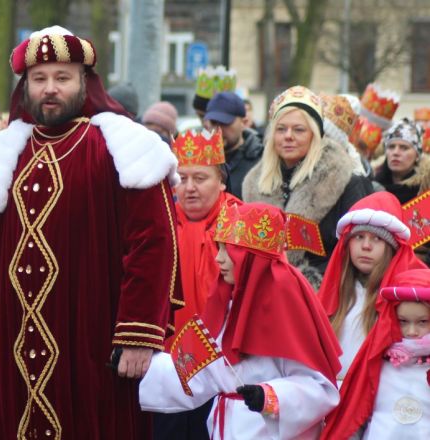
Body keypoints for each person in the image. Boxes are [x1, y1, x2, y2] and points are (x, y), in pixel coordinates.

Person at [0, 25, 181, 439]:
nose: (50, 89)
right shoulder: (4, 154)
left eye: (62, 78)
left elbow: (153, 242)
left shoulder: (117, 147)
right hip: (14, 344)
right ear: (25, 87)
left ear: (85, 82)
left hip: (92, 341)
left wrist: (138, 332)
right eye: (39, 79)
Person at [139, 202, 341, 439]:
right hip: (226, 428)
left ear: (251, 257)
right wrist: (143, 365)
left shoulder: (286, 302)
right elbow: (198, 374)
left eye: (228, 250)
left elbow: (319, 387)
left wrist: (271, 395)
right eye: (219, 248)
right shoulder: (227, 302)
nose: (219, 259)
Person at [154, 128, 241, 439]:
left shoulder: (242, 227)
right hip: (165, 367)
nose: (189, 188)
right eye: (182, 178)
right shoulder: (156, 222)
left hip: (224, 372)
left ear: (221, 181)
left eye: (200, 178)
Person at [243, 86, 373, 288]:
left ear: (315, 134)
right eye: (281, 129)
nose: (288, 136)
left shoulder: (347, 182)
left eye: (299, 129)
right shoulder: (254, 184)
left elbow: (354, 252)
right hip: (266, 293)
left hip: (326, 295)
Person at [317, 192, 425, 385]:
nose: (366, 246)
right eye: (359, 237)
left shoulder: (406, 298)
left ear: (391, 247)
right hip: (330, 393)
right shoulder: (335, 294)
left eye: (377, 239)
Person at [321, 268, 430, 438]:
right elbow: (354, 416)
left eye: (422, 322)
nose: (411, 331)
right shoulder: (376, 361)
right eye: (403, 321)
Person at [204, 92, 263, 200]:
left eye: (225, 123)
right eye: (213, 123)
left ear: (243, 122)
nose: (218, 130)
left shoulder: (261, 161)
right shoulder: (199, 160)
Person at [374, 118, 429, 204]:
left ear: (417, 155)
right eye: (391, 147)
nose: (396, 153)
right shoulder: (372, 184)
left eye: (404, 148)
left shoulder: (425, 189)